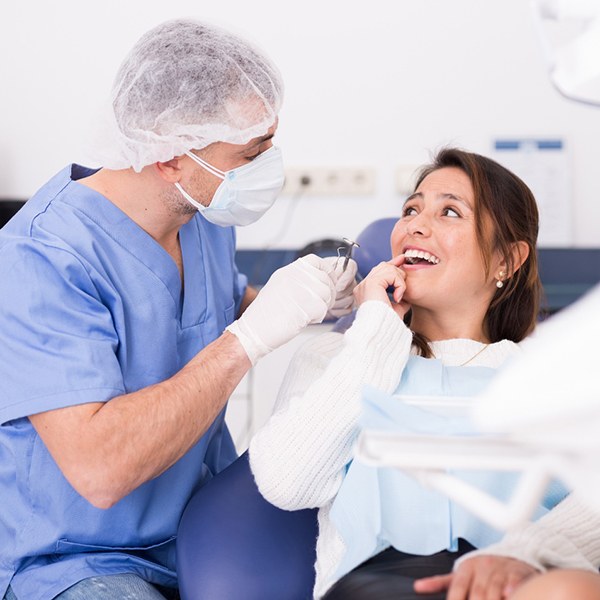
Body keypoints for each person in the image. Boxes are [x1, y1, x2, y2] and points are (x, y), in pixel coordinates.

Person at [0, 19, 356, 600]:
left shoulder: (200, 212)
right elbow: (101, 471)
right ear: (169, 157)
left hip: (200, 520)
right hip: (79, 559)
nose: (268, 166)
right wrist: (247, 340)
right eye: (251, 153)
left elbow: (206, 306)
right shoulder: (41, 260)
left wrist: (313, 301)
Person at [248, 146, 600, 600]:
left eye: (449, 212)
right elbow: (288, 483)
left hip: (518, 581)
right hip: (379, 584)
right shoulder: (337, 356)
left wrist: (525, 553)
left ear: (506, 260)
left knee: (571, 589)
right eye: (410, 209)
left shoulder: (550, 375)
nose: (414, 224)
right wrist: (375, 330)